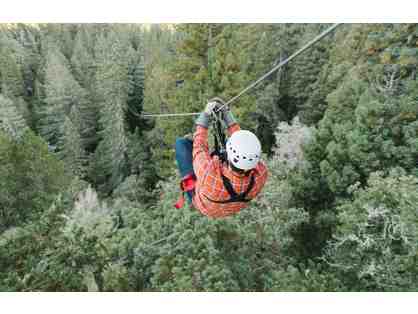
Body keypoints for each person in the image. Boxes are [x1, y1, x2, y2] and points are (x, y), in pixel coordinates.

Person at [174, 98, 268, 218]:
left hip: (205, 205)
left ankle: (192, 198)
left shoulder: (209, 174)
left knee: (181, 143)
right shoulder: (261, 174)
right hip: (228, 200)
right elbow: (242, 143)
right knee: (211, 154)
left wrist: (206, 116)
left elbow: (199, 147)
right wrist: (226, 114)